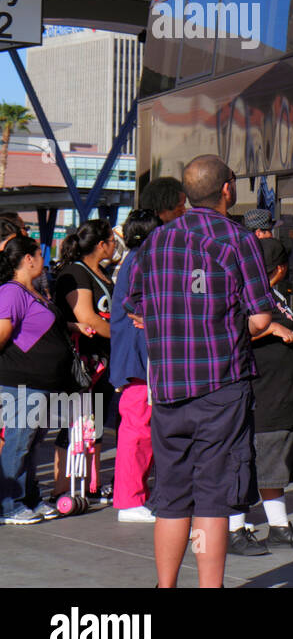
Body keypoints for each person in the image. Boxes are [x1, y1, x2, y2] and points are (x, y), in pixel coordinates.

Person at [123, 155, 279, 588]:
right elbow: (262, 317)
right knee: (212, 497)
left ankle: (165, 585)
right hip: (221, 385)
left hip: (169, 387)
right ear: (228, 189)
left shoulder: (155, 242)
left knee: (171, 497)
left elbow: (135, 306)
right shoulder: (237, 240)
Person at [228, 235, 293, 554]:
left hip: (281, 402)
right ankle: (234, 529)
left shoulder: (273, 295)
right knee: (250, 466)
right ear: (281, 268)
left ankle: (279, 527)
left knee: (273, 468)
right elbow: (231, 332)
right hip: (264, 401)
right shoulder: (247, 299)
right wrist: (270, 329)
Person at [0, 235, 74, 524]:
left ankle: (29, 498)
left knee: (30, 444)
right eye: (39, 254)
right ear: (28, 259)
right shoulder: (11, 293)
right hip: (22, 382)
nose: (44, 260)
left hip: (40, 383)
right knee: (19, 442)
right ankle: (9, 505)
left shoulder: (34, 292)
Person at [53, 219, 118, 504]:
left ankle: (94, 483)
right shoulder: (75, 272)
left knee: (96, 422)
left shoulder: (102, 272)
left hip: (103, 360)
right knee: (74, 423)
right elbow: (86, 317)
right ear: (100, 244)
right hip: (82, 361)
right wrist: (122, 336)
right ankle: (60, 487)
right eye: (112, 240)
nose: (116, 244)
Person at [109, 209, 162, 523]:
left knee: (137, 427)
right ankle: (129, 500)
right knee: (138, 429)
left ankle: (132, 497)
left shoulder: (132, 257)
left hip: (134, 357)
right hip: (139, 358)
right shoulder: (142, 259)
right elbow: (137, 302)